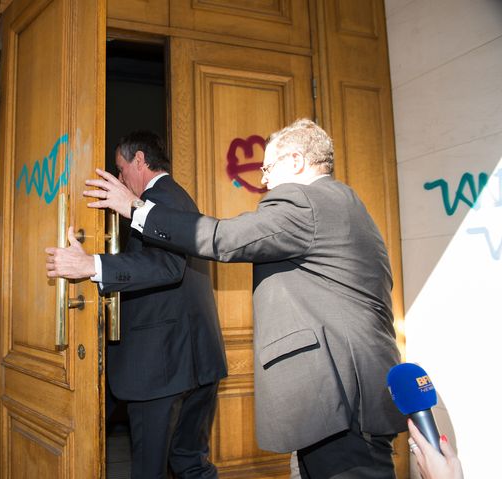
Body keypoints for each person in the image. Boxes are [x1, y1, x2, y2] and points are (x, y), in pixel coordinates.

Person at [82, 119, 407, 478]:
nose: (264, 181)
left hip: (341, 394)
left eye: (268, 168)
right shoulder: (344, 200)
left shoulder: (305, 202)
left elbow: (225, 239)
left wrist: (136, 210)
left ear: (297, 161)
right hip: (350, 390)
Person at [45, 130, 227, 479]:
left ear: (139, 160)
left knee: (152, 470)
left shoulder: (162, 199)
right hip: (191, 361)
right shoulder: (173, 197)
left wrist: (91, 266)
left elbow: (167, 268)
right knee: (190, 463)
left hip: (162, 365)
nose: (119, 178)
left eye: (120, 168)